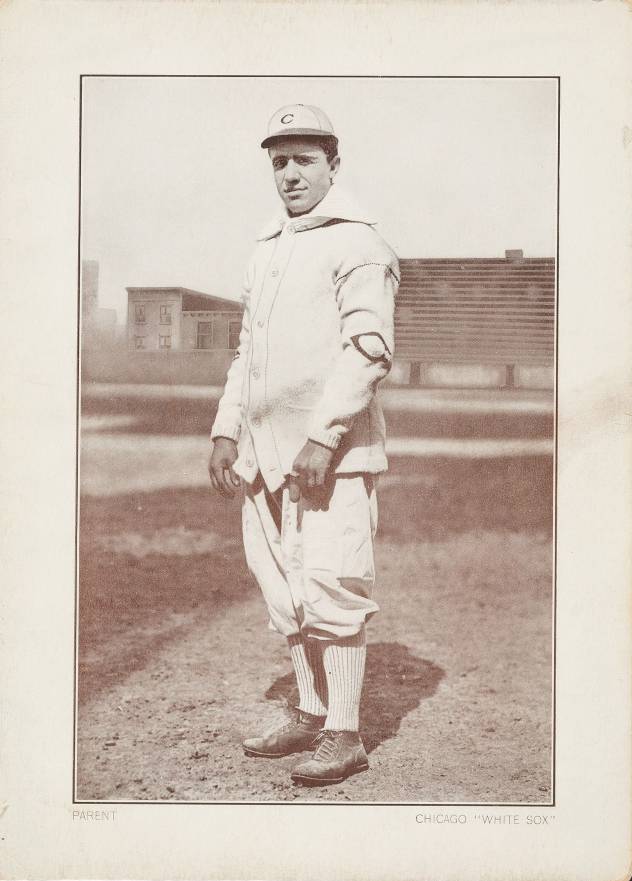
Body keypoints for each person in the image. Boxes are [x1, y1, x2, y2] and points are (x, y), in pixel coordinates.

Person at [208, 104, 399, 786]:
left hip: (331, 455)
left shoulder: (359, 243)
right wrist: (226, 427)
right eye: (278, 161)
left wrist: (325, 435)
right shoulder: (267, 247)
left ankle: (344, 734)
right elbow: (247, 351)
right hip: (263, 453)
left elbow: (368, 348)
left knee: (331, 584)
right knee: (285, 590)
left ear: (333, 165)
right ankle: (312, 713)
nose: (289, 173)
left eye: (303, 159)